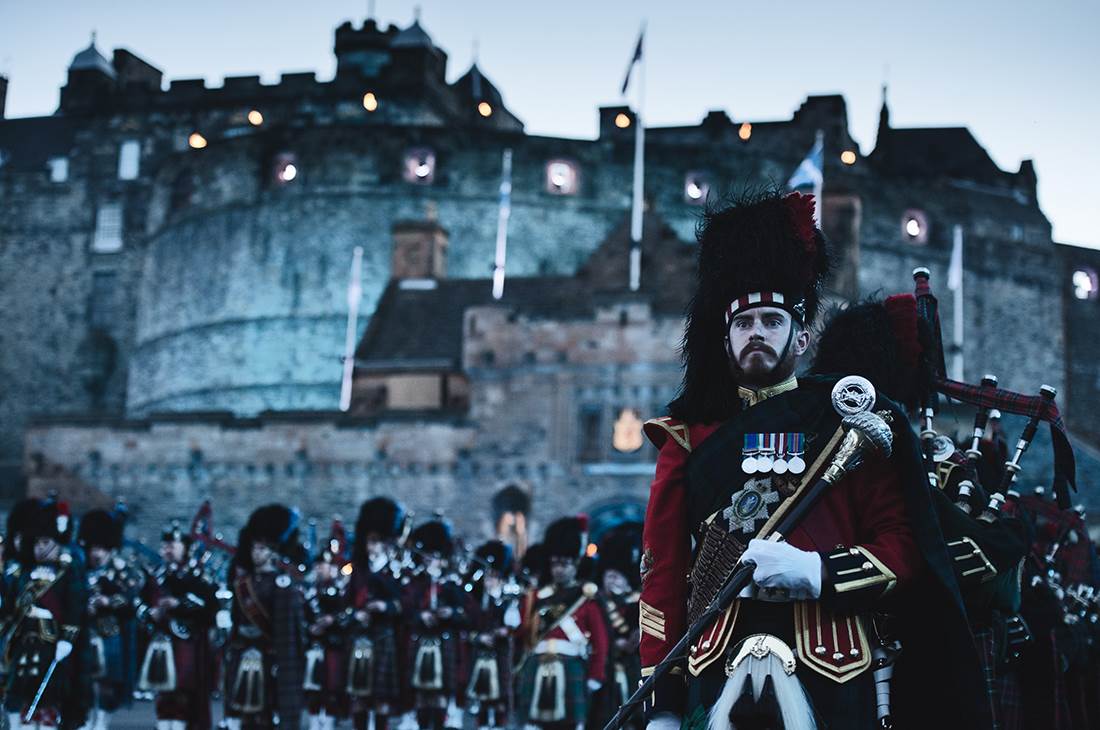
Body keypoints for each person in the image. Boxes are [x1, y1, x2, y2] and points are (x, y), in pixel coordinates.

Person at [637, 189, 990, 730]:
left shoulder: (851, 421)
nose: (756, 332)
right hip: (714, 661)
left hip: (833, 665)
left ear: (801, 338)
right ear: (726, 341)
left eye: (771, 321)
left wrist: (817, 571)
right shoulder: (686, 438)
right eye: (743, 322)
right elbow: (663, 573)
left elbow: (901, 546)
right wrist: (662, 703)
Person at [516, 515, 608, 730]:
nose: (559, 569)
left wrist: (596, 675)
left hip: (571, 665)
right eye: (555, 563)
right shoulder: (537, 597)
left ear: (575, 565)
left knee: (571, 724)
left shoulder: (586, 598)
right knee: (533, 724)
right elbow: (524, 632)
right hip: (537, 663)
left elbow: (601, 642)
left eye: (565, 564)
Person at [1, 499, 87, 730]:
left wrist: (67, 640)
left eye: (46, 542)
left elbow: (75, 608)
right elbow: (11, 608)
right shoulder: (22, 572)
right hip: (23, 643)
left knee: (49, 699)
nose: (40, 547)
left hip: (52, 643)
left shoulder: (68, 573)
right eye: (37, 542)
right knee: (18, 695)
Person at [223, 504, 307, 729]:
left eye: (261, 549)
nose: (255, 553)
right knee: (244, 715)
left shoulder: (282, 585)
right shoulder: (243, 584)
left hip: (269, 658)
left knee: (266, 716)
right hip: (244, 653)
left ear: (272, 552)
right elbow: (236, 618)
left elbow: (287, 633)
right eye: (254, 548)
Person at [136, 522, 220, 730]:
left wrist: (179, 604)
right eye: (165, 546)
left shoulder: (198, 576)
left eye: (172, 545)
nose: (167, 550)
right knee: (164, 693)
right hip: (161, 642)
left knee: (183, 691)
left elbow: (211, 608)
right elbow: (138, 604)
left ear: (185, 547)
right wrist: (150, 613)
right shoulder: (156, 575)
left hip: (187, 641)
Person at [77, 508, 143, 730]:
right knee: (85, 681)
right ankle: (85, 718)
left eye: (102, 549)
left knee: (108, 682)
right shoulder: (80, 569)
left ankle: (103, 719)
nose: (97, 554)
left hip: (111, 631)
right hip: (86, 631)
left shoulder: (121, 570)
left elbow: (131, 596)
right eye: (94, 548)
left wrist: (108, 601)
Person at [347, 497, 407, 730]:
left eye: (376, 542)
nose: (371, 547)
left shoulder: (394, 572)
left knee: (381, 699)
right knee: (359, 697)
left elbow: (405, 603)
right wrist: (356, 614)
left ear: (385, 543)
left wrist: (386, 607)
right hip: (361, 637)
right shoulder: (358, 571)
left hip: (384, 636)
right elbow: (348, 602)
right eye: (369, 542)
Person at [402, 519, 467, 730]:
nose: (431, 560)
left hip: (443, 642)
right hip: (421, 641)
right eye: (428, 556)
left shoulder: (451, 584)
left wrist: (451, 613)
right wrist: (421, 616)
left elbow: (464, 615)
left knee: (440, 695)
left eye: (435, 556)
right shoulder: (416, 583)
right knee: (422, 695)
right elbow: (406, 610)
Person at [589, 522, 643, 730]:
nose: (612, 581)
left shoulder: (637, 601)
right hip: (607, 667)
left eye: (617, 576)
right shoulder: (598, 601)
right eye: (609, 576)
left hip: (632, 667)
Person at [464, 540, 521, 730]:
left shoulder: (509, 601)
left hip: (501, 654)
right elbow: (468, 628)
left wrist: (506, 632)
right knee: (481, 698)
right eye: (488, 577)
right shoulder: (477, 602)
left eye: (495, 577)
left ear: (502, 579)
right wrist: (479, 638)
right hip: (480, 654)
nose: (490, 581)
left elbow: (516, 627)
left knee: (500, 699)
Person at [303, 522, 351, 730]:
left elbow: (347, 615)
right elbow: (302, 616)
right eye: (321, 565)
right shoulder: (309, 591)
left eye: (329, 565)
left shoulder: (343, 591)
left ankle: (329, 723)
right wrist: (310, 627)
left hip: (334, 644)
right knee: (313, 689)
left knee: (333, 687)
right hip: (314, 645)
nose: (324, 569)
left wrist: (332, 621)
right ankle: (315, 724)